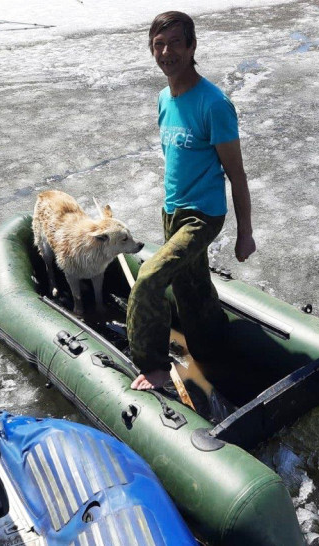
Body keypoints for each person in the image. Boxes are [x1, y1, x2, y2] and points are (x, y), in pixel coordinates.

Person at [128, 11, 256, 391]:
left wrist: (244, 234)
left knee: (150, 278)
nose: (166, 52)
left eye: (175, 44)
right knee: (190, 287)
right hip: (173, 210)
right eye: (159, 45)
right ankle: (212, 347)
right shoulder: (164, 99)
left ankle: (153, 366)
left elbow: (236, 174)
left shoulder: (213, 104)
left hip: (202, 215)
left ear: (192, 47)